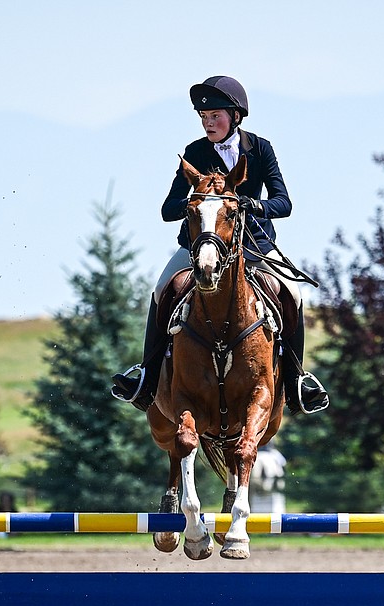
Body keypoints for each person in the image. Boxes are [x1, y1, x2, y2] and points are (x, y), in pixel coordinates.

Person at [111, 75, 329, 416]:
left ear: (235, 117)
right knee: (160, 289)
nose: (208, 122)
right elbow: (168, 208)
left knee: (294, 294)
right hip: (200, 245)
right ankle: (147, 377)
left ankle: (296, 381)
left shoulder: (260, 148)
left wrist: (252, 205)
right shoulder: (194, 153)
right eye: (204, 117)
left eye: (215, 116)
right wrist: (198, 205)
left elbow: (284, 203)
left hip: (253, 245)